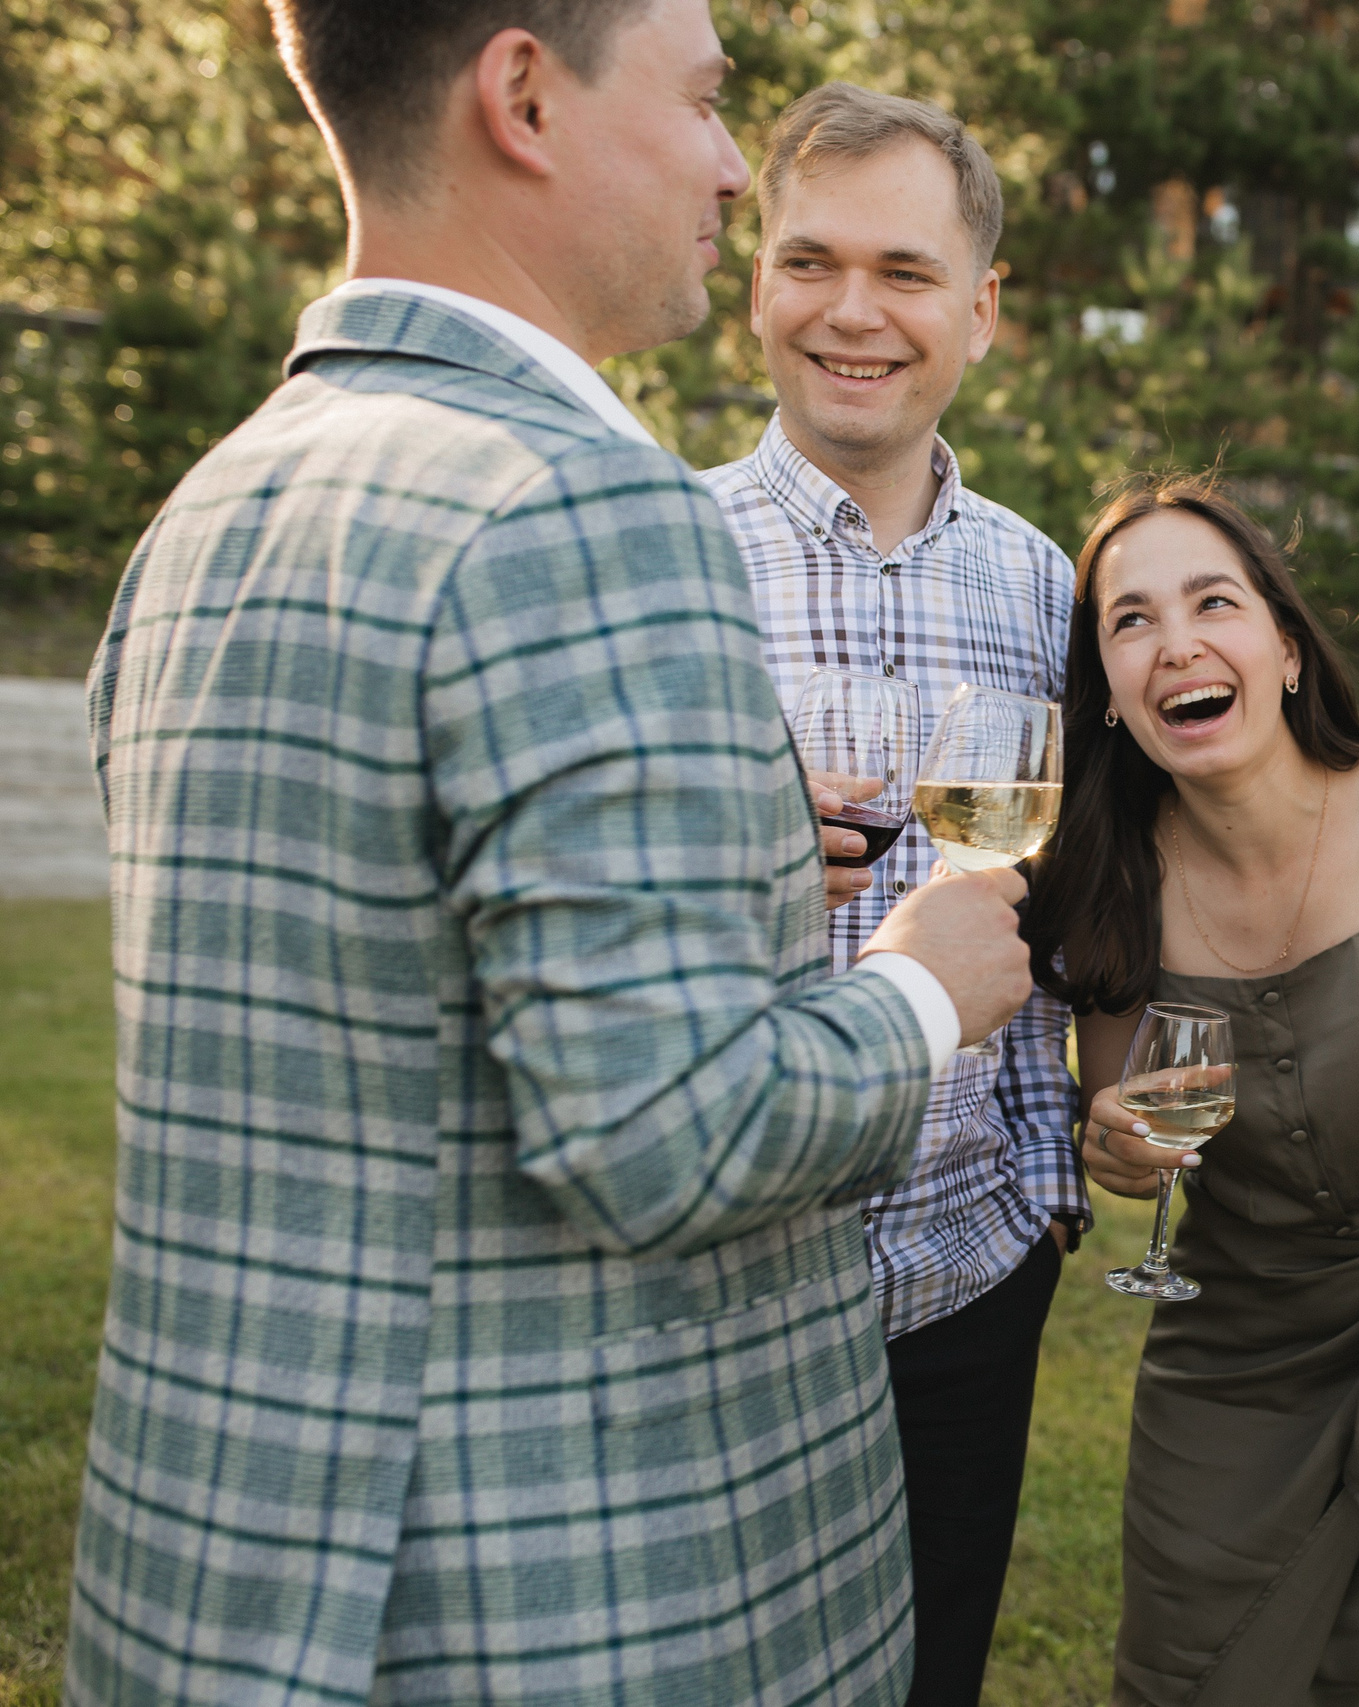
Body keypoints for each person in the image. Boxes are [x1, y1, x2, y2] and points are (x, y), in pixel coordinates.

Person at [67, 4, 1036, 1703]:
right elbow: (668, 1132)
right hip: (547, 1596)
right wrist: (917, 993)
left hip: (234, 1580)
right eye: (707, 104)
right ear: (523, 93)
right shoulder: (591, 507)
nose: (731, 168)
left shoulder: (218, 498)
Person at [1024, 481, 1359, 1706]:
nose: (1180, 645)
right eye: (1131, 621)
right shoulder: (1104, 882)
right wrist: (1116, 1149)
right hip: (1229, 1373)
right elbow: (1135, 1133)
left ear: (1287, 648)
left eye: (1215, 603)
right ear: (1105, 687)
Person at [702, 82, 1086, 1707]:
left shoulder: (1048, 581)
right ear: (757, 283)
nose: (852, 312)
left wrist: (1055, 1193)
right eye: (810, 261)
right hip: (715, 1294)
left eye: (906, 272)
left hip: (968, 1282)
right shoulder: (652, 554)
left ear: (982, 311)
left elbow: (1064, 921)